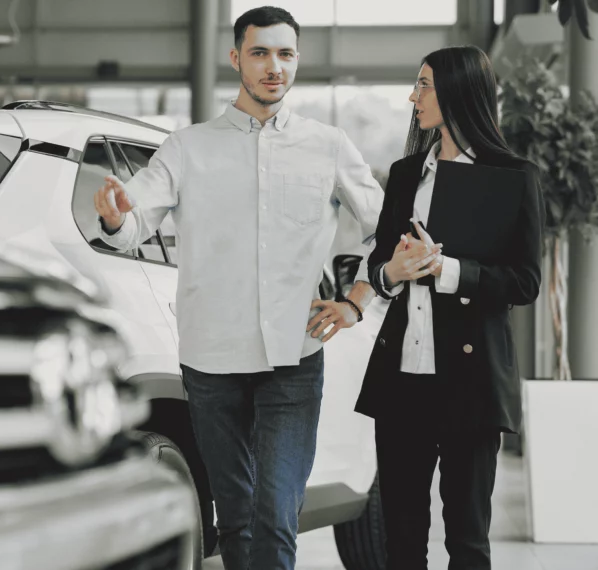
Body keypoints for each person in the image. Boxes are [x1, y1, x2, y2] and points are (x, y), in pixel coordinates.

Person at [93, 7, 385, 570]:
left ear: (296, 61)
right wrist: (112, 218)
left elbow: (386, 228)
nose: (274, 67)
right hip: (211, 359)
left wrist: (355, 301)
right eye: (260, 53)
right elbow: (134, 225)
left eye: (285, 54)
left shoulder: (328, 145)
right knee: (236, 518)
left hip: (294, 358)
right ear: (236, 59)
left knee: (277, 516)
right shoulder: (186, 148)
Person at [354, 46, 544, 570]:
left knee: (467, 541)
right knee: (402, 540)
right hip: (402, 379)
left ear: (460, 91)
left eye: (424, 85)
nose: (413, 97)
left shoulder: (514, 177)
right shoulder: (405, 172)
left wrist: (447, 270)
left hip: (471, 380)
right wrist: (393, 272)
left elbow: (526, 281)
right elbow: (380, 269)